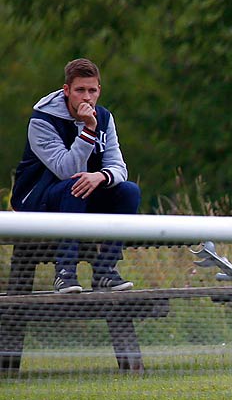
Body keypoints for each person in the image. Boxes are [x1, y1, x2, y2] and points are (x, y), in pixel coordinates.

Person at [10, 57, 142, 293]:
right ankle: (65, 273)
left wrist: (101, 177)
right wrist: (88, 129)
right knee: (76, 183)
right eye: (80, 90)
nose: (87, 97)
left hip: (81, 197)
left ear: (99, 91)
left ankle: (105, 271)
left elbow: (119, 167)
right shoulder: (42, 120)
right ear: (67, 90)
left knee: (129, 190)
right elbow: (66, 170)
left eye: (92, 90)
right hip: (38, 202)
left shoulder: (105, 118)